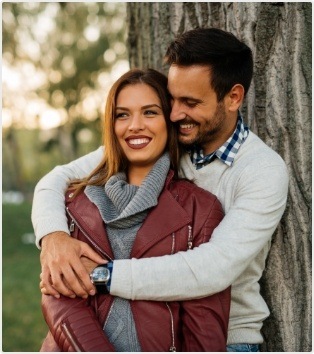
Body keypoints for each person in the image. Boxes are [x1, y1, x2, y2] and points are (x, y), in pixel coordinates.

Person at [32, 28, 289, 352]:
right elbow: (55, 179)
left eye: (190, 102)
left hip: (225, 339)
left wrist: (101, 276)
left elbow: (212, 268)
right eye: (172, 99)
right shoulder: (171, 140)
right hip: (144, 324)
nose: (176, 113)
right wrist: (53, 239)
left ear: (233, 97)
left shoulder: (262, 170)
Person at [39, 68, 230, 352]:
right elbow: (59, 298)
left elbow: (204, 328)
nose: (135, 125)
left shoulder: (200, 210)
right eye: (122, 115)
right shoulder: (74, 202)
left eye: (150, 113)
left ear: (169, 120)